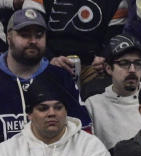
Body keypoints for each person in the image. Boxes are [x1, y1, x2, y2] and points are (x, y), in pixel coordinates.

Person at [0, 7, 90, 142]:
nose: (33, 41)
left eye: (39, 35)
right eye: (25, 35)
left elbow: (84, 131)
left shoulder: (60, 77)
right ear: (9, 37)